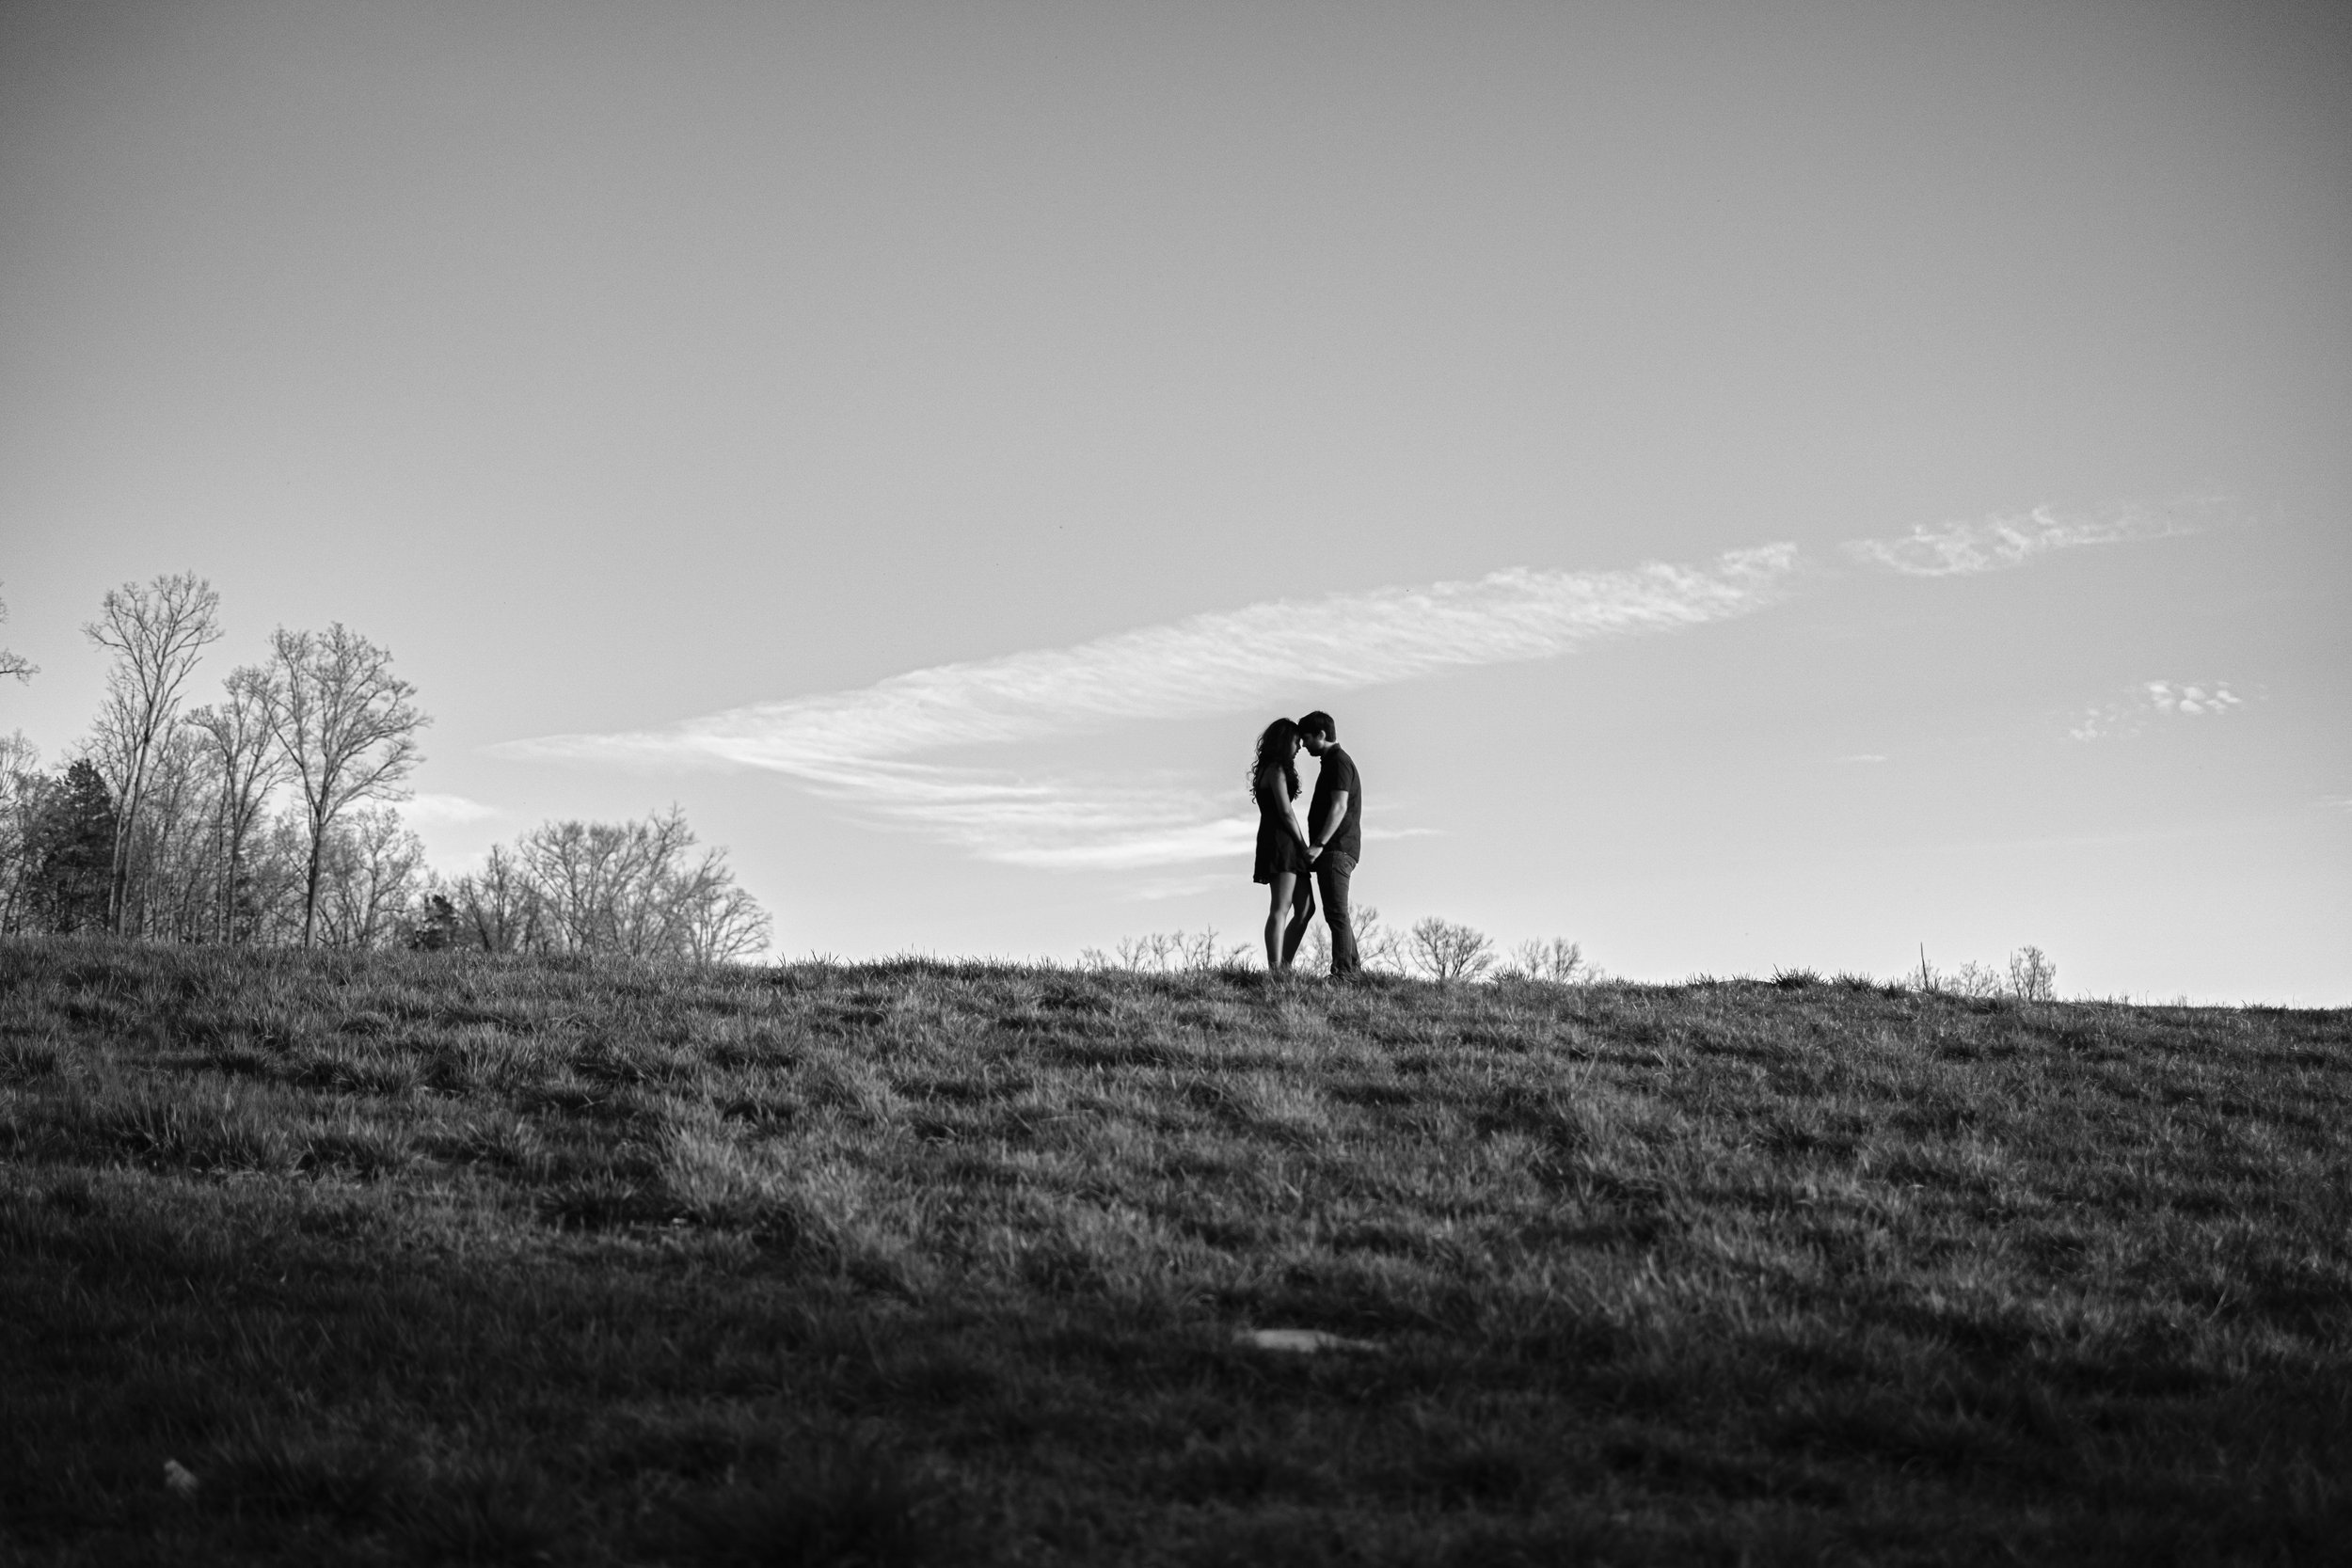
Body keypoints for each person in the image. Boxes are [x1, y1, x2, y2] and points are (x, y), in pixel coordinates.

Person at [1248, 717, 1318, 974]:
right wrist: (1303, 845)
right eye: (1295, 740)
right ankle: (1276, 969)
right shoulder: (1275, 770)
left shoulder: (1279, 769)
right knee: (1281, 906)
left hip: (1286, 840)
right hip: (1280, 840)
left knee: (1306, 908)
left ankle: (1283, 967)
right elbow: (1285, 812)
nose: (1299, 746)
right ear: (1282, 740)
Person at [1298, 710, 1362, 977]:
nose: (1303, 745)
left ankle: (1343, 975)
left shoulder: (1338, 762)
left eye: (1307, 738)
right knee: (1337, 913)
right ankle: (1354, 971)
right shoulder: (1332, 762)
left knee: (1336, 914)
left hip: (1336, 848)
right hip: (1335, 848)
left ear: (1321, 735)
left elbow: (1339, 807)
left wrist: (1319, 844)